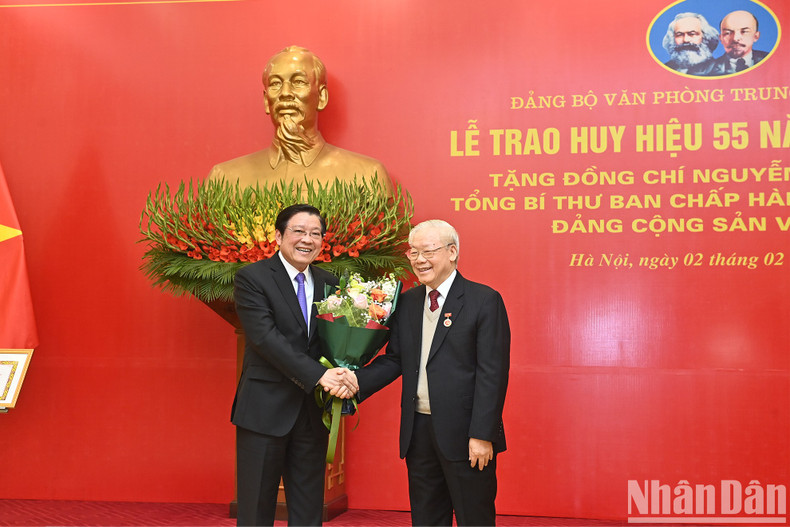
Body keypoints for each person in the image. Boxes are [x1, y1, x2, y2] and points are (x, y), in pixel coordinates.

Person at [353, 219, 510, 526]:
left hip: (466, 434)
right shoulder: (409, 302)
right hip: (419, 432)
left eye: (428, 251)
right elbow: (396, 359)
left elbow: (492, 373)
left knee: (474, 517)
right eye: (413, 252)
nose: (419, 260)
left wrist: (482, 433)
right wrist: (354, 381)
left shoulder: (483, 300)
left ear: (452, 252)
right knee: (426, 518)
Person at [231, 204, 359, 526]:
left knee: (308, 510)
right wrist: (320, 376)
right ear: (278, 236)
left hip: (311, 414)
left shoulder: (330, 281)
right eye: (299, 231)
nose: (307, 239)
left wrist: (344, 370)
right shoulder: (253, 277)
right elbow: (265, 339)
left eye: (315, 233)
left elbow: (335, 340)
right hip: (264, 411)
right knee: (256, 509)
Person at [209, 46, 392, 191]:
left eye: (298, 82)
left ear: (321, 97)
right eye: (275, 84)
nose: (285, 93)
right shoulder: (225, 179)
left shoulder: (367, 177)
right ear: (266, 100)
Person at [690, 10, 767, 75]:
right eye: (728, 33)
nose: (735, 38)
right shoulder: (702, 72)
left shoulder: (772, 61)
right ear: (721, 38)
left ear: (756, 36)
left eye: (744, 32)